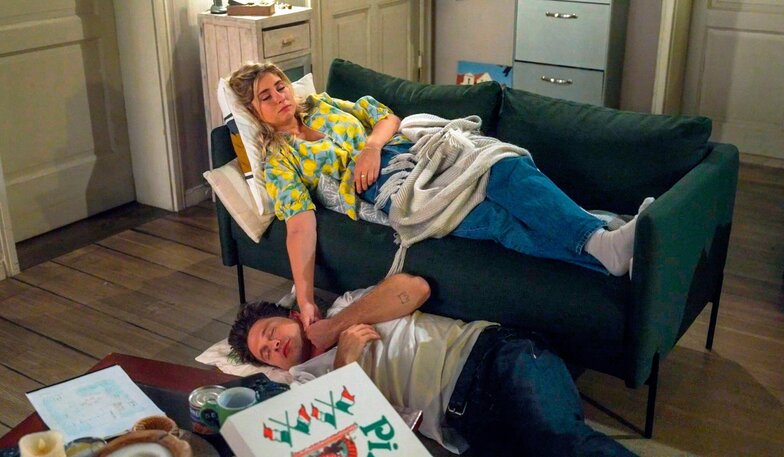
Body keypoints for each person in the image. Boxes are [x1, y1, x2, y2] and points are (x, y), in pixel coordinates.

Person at [227, 62, 652, 330]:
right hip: (393, 191)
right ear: (253, 112)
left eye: (280, 86)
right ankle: (604, 246)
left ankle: (602, 244)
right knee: (497, 221)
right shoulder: (280, 160)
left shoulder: (324, 105)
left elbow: (386, 118)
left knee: (503, 166)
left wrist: (371, 147)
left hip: (411, 153)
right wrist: (304, 298)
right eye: (266, 96)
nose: (280, 97)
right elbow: (299, 225)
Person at [228, 273, 636, 456]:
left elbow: (415, 288)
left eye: (270, 332)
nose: (274, 345)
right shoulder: (304, 384)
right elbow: (347, 437)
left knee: (560, 440)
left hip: (490, 357)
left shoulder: (347, 305)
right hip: (463, 423)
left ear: (294, 316)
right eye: (266, 352)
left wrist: (335, 327)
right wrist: (344, 361)